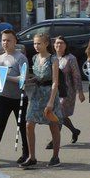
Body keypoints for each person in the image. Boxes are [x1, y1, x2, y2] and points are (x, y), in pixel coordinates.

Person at [23, 32, 61, 167]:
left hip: (50, 94)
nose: (36, 46)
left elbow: (55, 82)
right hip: (36, 94)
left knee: (53, 125)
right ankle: (32, 157)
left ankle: (55, 156)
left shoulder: (53, 59)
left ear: (46, 44)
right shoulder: (34, 58)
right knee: (29, 123)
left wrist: (51, 101)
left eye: (39, 43)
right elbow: (37, 77)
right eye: (34, 43)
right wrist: (27, 81)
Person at [0, 30, 28, 163]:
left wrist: (7, 77)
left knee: (22, 126)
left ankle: (26, 153)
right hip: (4, 97)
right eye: (3, 40)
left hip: (19, 98)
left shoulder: (20, 57)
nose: (5, 43)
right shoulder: (0, 58)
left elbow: (23, 79)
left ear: (15, 42)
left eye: (8, 40)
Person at [53, 35, 85, 143]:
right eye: (57, 43)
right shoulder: (52, 58)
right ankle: (74, 131)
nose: (59, 45)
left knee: (59, 114)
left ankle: (54, 141)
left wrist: (80, 92)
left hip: (67, 91)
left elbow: (77, 76)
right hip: (54, 91)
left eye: (61, 43)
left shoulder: (71, 58)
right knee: (60, 115)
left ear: (66, 45)